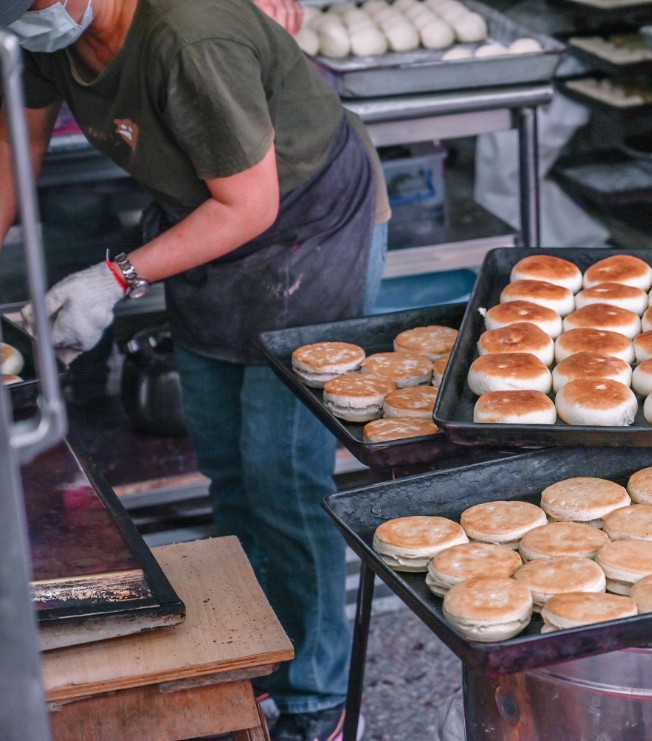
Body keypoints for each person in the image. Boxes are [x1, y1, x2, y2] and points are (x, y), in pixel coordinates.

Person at [0, 0, 391, 738]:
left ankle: (319, 703)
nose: (32, 13)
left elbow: (251, 203)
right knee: (229, 467)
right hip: (208, 227)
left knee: (283, 477)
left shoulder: (187, 36)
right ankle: (262, 664)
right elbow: (10, 156)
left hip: (309, 225)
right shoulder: (48, 36)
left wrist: (114, 278)